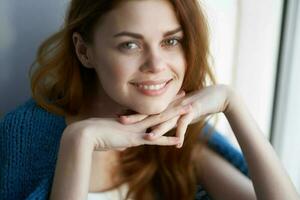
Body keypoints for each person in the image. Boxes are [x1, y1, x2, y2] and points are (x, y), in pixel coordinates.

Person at [0, 0, 299, 199]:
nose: (156, 65)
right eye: (130, 45)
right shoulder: (23, 137)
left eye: (171, 41)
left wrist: (231, 101)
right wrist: (79, 140)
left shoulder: (177, 137)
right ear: (84, 51)